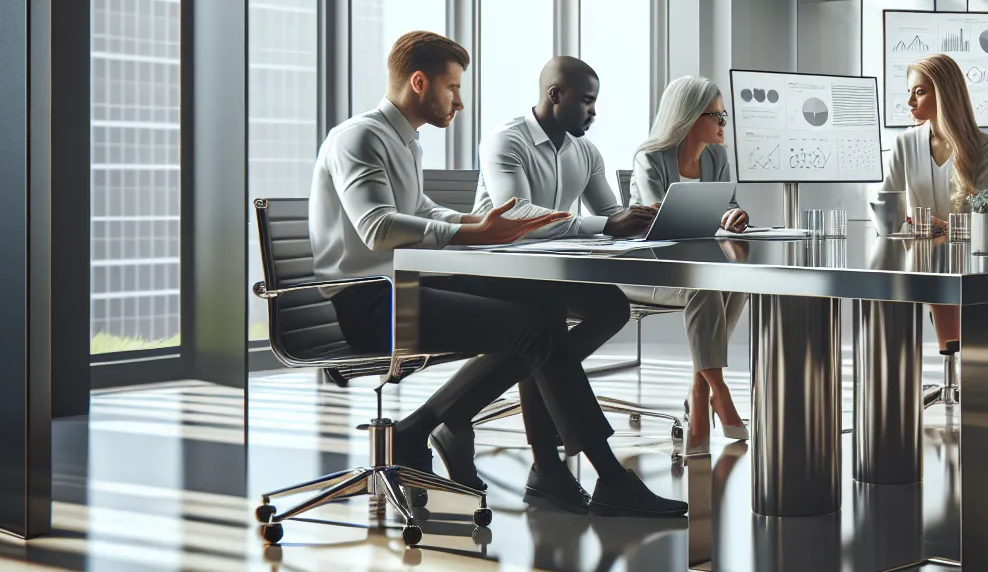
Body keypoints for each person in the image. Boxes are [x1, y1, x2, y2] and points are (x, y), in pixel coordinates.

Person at [309, 30, 685, 518]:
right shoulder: (359, 136)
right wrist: (473, 233)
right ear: (419, 82)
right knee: (536, 329)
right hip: (372, 304)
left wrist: (478, 225)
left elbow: (421, 209)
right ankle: (603, 477)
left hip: (409, 284)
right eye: (453, 88)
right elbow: (377, 228)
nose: (459, 102)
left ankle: (427, 432)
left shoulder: (405, 143)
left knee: (544, 309)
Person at [466, 55, 660, 507]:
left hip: (548, 274)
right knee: (547, 326)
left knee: (611, 306)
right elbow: (516, 216)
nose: (594, 112)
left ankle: (491, 420)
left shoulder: (586, 151)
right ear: (556, 96)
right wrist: (605, 226)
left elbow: (609, 216)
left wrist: (648, 222)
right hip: (492, 270)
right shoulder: (505, 140)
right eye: (588, 102)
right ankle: (574, 471)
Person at [628, 76, 753, 456]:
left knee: (741, 279)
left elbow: (727, 204)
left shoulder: (717, 157)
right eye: (714, 115)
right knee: (704, 284)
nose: (722, 123)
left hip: (693, 265)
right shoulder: (649, 157)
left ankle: (700, 390)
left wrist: (735, 215)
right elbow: (659, 220)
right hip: (647, 271)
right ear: (688, 117)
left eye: (723, 114)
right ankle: (718, 392)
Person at [878, 53, 988, 354]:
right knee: (929, 267)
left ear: (944, 93)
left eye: (919, 92)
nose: (910, 103)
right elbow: (887, 203)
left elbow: (980, 213)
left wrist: (947, 228)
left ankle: (954, 358)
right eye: (909, 92)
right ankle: (953, 357)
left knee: (943, 268)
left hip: (968, 254)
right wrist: (902, 224)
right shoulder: (906, 142)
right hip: (920, 255)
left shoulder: (982, 145)